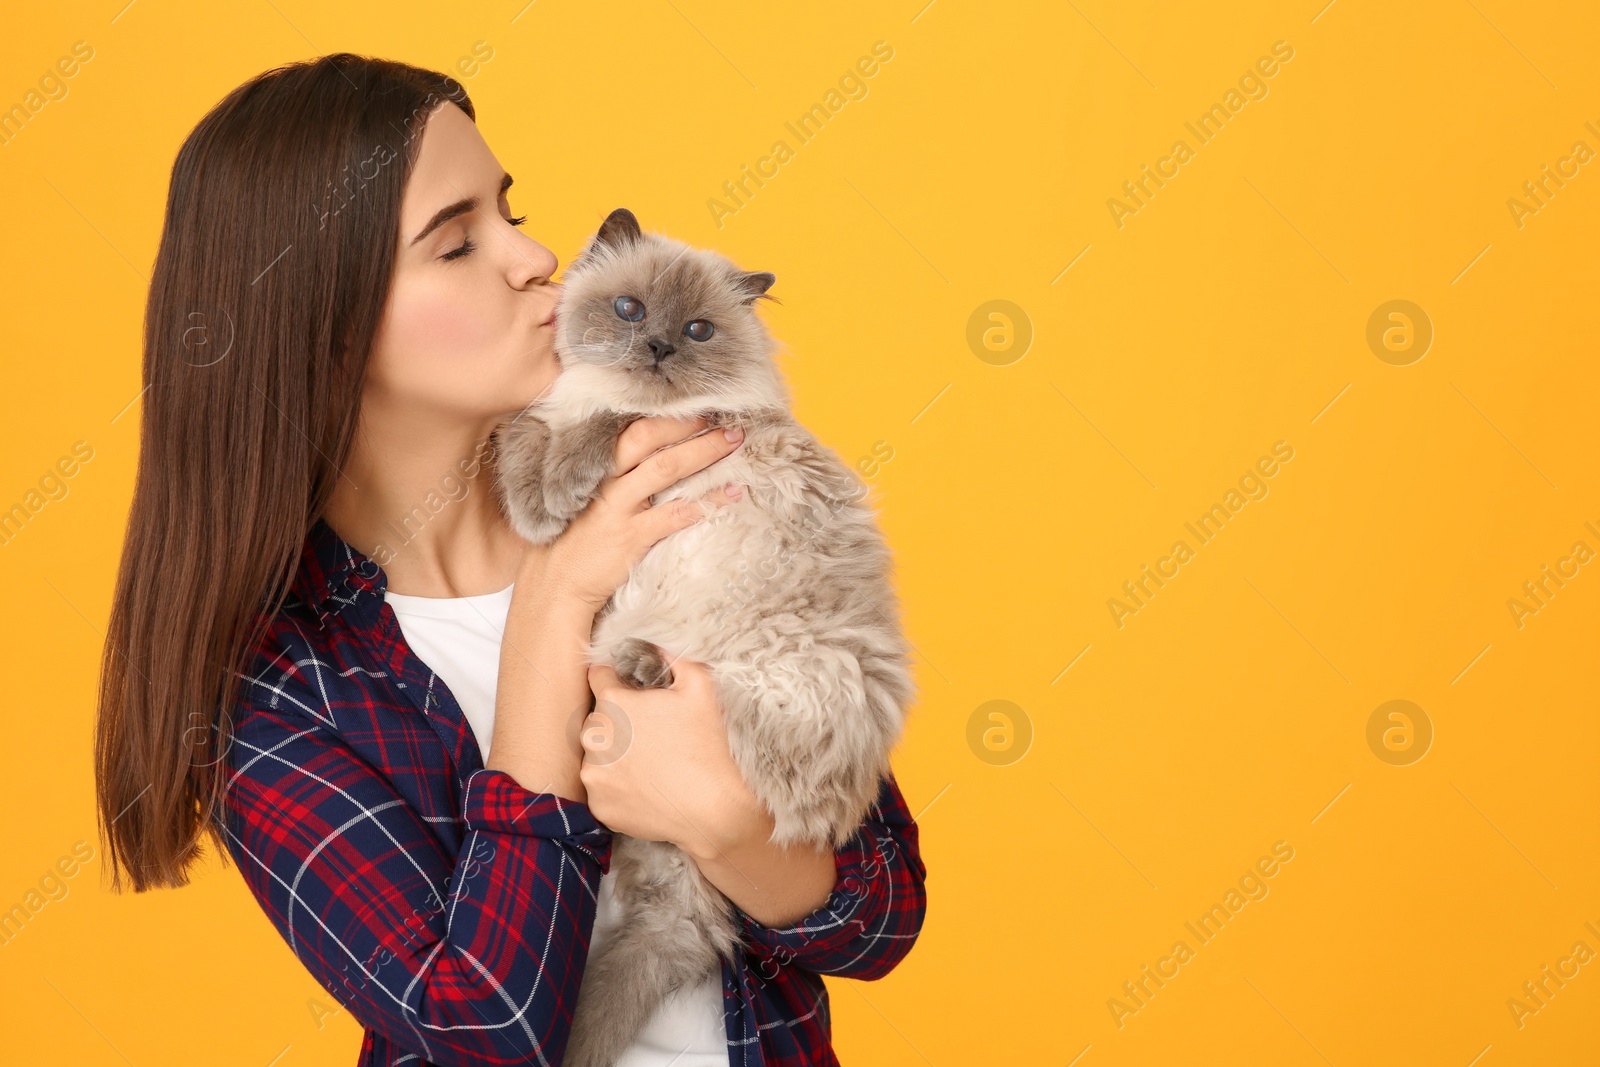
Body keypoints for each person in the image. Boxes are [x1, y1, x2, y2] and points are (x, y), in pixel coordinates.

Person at [93, 52, 926, 1067]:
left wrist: (728, 829)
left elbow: (882, 912)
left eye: (510, 208)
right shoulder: (278, 690)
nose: (534, 256)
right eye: (456, 243)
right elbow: (486, 1031)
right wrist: (552, 608)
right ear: (325, 321)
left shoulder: (660, 482)